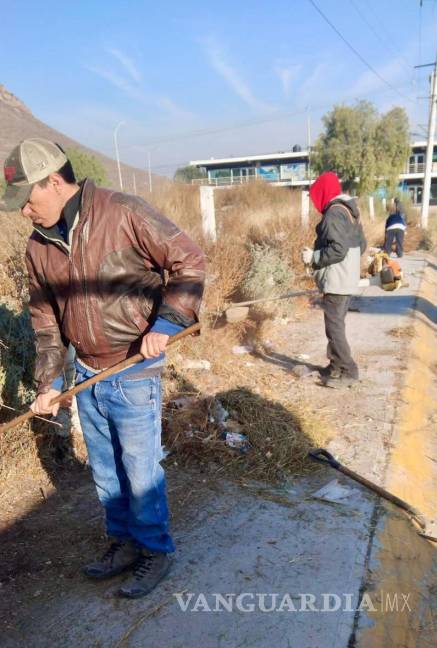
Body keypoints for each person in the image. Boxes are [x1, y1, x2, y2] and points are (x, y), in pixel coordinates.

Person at [0, 138, 206, 598]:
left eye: (27, 200)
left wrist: (167, 321)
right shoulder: (38, 249)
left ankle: (155, 551)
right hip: (87, 376)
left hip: (133, 368)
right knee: (106, 470)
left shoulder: (124, 212)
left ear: (54, 182)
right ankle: (124, 544)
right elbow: (45, 321)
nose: (24, 213)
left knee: (139, 469)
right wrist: (48, 383)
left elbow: (189, 260)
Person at [302, 171, 367, 388]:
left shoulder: (333, 214)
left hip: (337, 280)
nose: (314, 203)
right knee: (334, 325)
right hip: (346, 278)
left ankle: (348, 370)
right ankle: (335, 365)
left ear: (322, 193)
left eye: (315, 196)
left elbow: (338, 249)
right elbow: (362, 246)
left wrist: (314, 257)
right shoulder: (350, 212)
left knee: (335, 326)